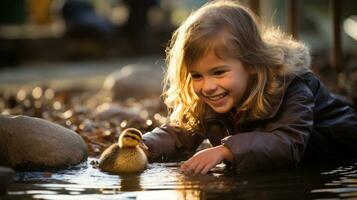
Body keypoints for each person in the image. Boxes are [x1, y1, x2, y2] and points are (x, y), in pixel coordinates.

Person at [142, 0, 357, 175]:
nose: (207, 86)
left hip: (340, 151)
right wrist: (144, 145)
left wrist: (225, 151)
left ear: (252, 64)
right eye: (197, 75)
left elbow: (287, 143)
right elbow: (181, 131)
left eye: (218, 72)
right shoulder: (212, 96)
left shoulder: (292, 88)